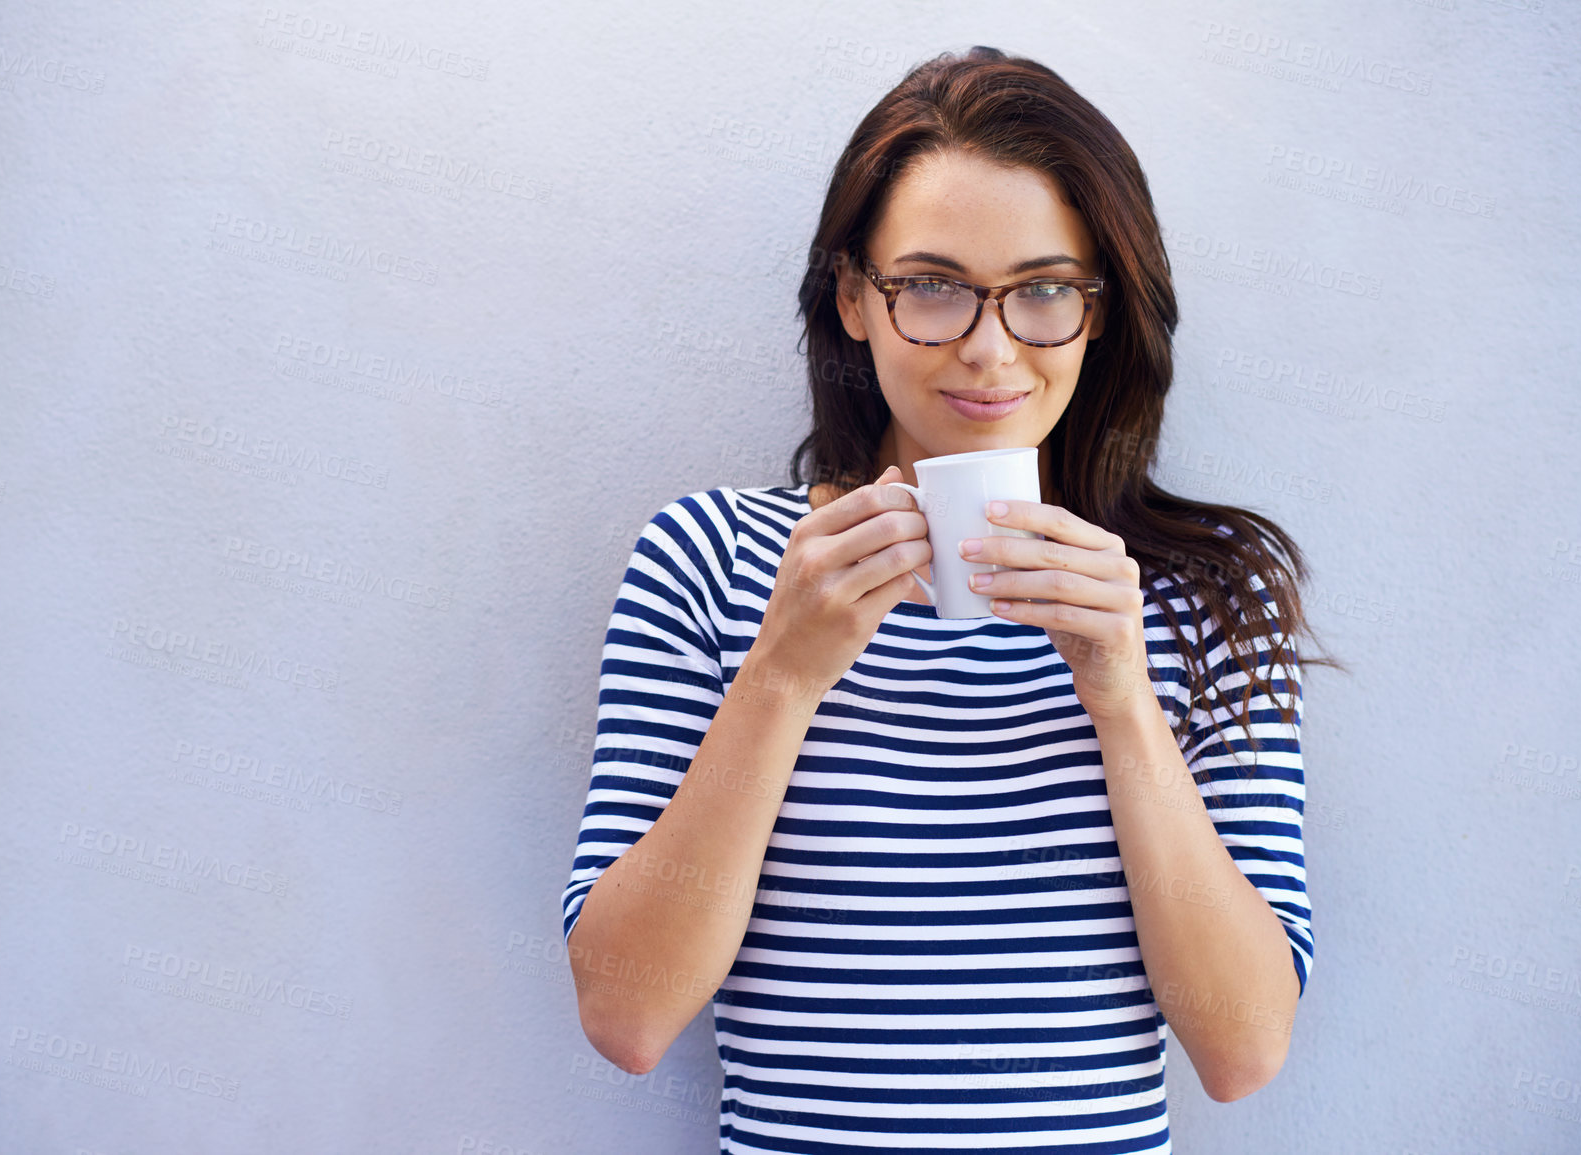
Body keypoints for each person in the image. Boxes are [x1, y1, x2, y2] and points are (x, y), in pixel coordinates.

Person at [559, 46, 1335, 1153]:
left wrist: (1122, 698)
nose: (987, 348)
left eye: (1044, 292)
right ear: (853, 299)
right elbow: (627, 1016)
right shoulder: (713, 561)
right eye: (932, 286)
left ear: (1101, 310)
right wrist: (783, 674)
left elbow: (1242, 1050)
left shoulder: (1203, 598)